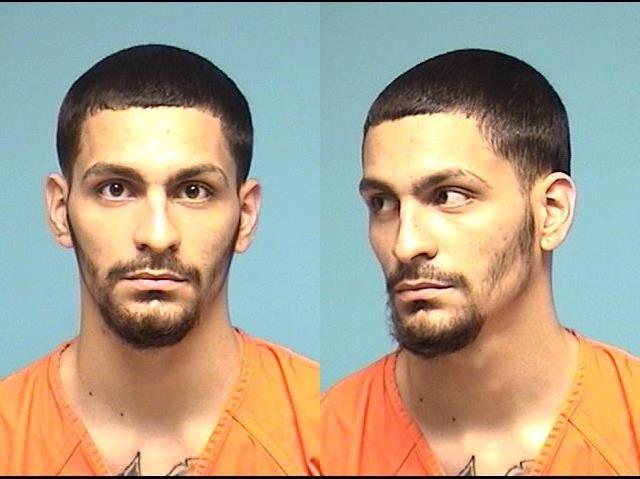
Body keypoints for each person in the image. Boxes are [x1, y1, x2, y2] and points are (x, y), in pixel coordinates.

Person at [0, 44, 319, 475]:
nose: (157, 235)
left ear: (245, 216)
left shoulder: (323, 429)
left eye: (193, 191)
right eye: (115, 189)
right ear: (60, 210)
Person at [321, 49, 640, 475]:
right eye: (383, 203)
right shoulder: (322, 446)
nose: (405, 244)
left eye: (449, 196)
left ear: (550, 211)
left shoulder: (630, 424)